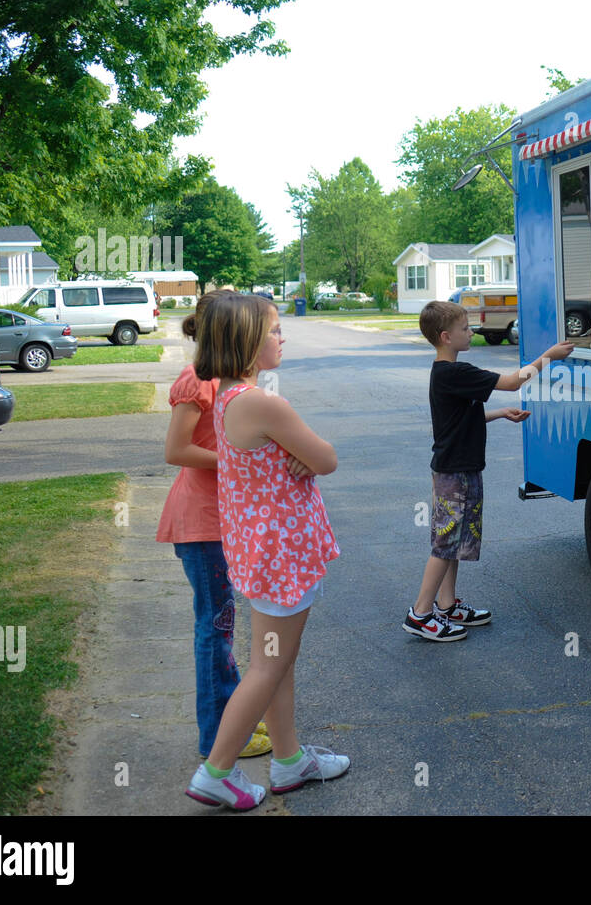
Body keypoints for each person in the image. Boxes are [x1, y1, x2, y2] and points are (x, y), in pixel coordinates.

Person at [185, 293, 348, 810]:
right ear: (246, 342)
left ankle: (288, 759)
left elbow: (295, 459)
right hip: (283, 557)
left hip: (262, 554)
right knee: (267, 666)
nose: (282, 337)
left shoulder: (232, 397)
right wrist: (305, 457)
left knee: (277, 660)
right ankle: (216, 771)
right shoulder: (262, 402)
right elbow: (326, 458)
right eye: (274, 330)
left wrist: (297, 457)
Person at [403, 300, 574, 641]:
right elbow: (513, 381)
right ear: (446, 336)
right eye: (466, 328)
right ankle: (420, 614)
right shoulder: (455, 372)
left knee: (453, 543)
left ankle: (446, 605)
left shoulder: (448, 373)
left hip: (458, 469)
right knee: (444, 544)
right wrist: (549, 356)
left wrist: (498, 414)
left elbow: (456, 421)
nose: (471, 332)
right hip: (455, 473)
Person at [157, 290, 272, 761]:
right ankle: (218, 740)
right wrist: (237, 460)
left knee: (222, 624)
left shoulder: (232, 383)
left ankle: (231, 722)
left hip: (225, 520)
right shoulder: (197, 379)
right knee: (215, 626)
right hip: (202, 525)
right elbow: (176, 450)